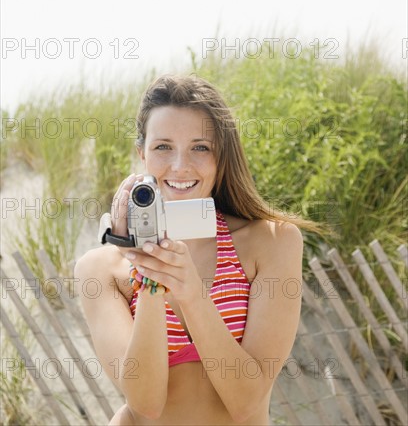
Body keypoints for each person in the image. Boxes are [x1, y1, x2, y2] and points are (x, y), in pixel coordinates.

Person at [75, 74, 324, 425]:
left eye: (200, 147)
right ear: (142, 154)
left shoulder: (272, 241)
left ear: (221, 157)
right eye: (163, 146)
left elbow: (246, 401)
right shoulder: (100, 268)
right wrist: (150, 277)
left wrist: (191, 292)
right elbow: (145, 402)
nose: (180, 166)